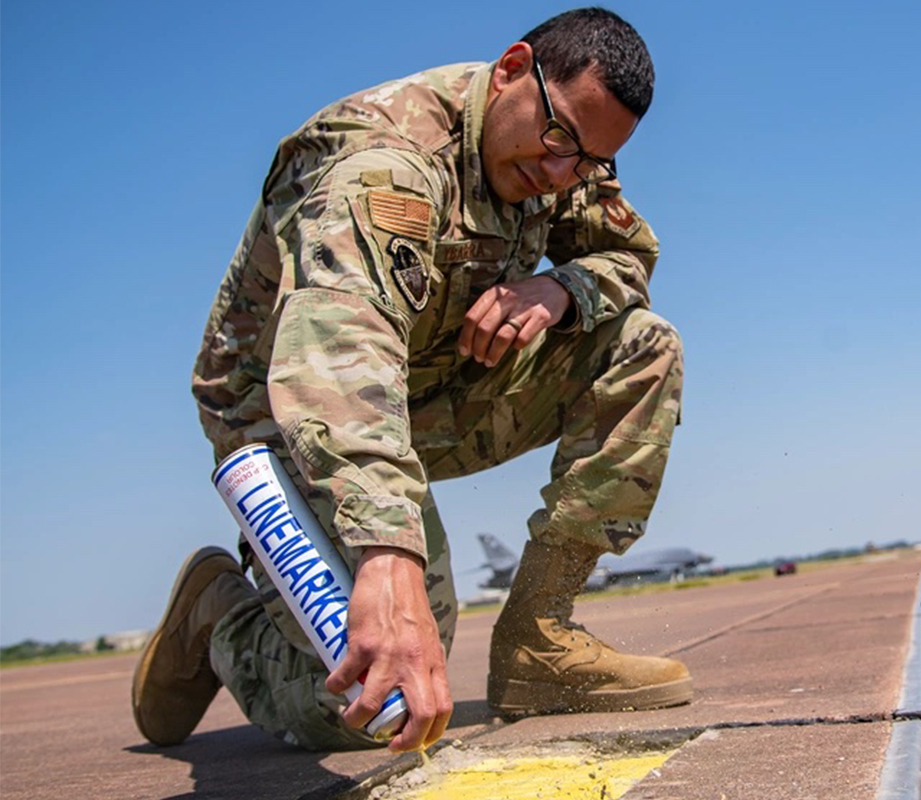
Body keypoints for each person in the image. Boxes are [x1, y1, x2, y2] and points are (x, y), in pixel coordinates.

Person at [131, 7, 688, 755]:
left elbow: (628, 258)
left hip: (428, 387)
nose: (562, 173)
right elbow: (341, 354)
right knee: (379, 701)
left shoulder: (567, 151)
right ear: (512, 69)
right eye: (559, 141)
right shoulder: (382, 164)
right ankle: (221, 617)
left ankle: (538, 642)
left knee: (642, 346)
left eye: (587, 162)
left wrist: (560, 289)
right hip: (285, 415)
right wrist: (386, 553)